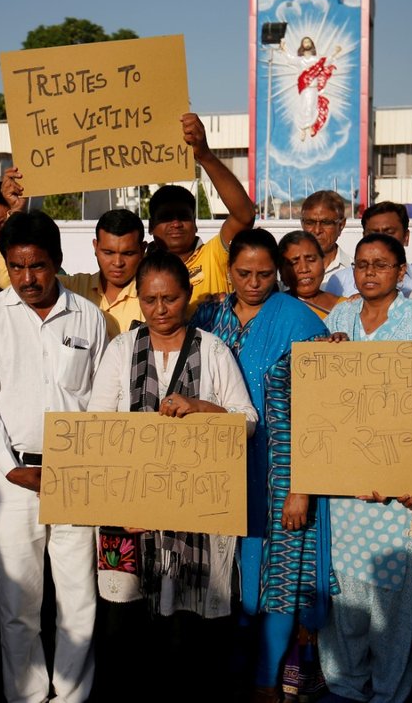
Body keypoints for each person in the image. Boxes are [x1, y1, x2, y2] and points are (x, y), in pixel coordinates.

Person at [88, 251, 257, 699]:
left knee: (192, 636)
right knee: (126, 631)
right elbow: (98, 425)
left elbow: (248, 420)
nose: (160, 309)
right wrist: (120, 504)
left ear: (187, 296)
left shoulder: (213, 349)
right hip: (130, 515)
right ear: (139, 300)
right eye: (150, 299)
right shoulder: (122, 349)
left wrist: (202, 408)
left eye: (170, 298)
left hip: (197, 517)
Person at [0, 210, 107, 703]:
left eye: (39, 266)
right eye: (18, 267)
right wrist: (12, 467)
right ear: (6, 264)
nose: (28, 279)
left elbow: (96, 401)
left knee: (78, 600)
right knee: (18, 604)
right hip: (11, 479)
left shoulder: (89, 316)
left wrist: (80, 468)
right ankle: (26, 697)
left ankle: (71, 697)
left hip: (74, 477)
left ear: (59, 262)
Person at [191, 229, 332, 700]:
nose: (253, 282)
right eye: (243, 273)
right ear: (227, 271)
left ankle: (268, 682)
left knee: (278, 579)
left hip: (280, 474)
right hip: (219, 472)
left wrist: (303, 486)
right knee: (226, 579)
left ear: (279, 272)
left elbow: (319, 411)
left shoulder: (299, 319)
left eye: (264, 273)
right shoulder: (208, 315)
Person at [318, 233, 412, 703]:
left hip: (397, 486)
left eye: (381, 264)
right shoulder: (341, 316)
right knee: (345, 597)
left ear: (400, 272)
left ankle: (390, 691)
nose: (370, 272)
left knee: (390, 599)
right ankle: (345, 686)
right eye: (362, 264)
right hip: (345, 484)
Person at [145, 113, 256, 310]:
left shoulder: (215, 255)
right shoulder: (140, 266)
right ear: (151, 226)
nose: (176, 223)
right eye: (166, 218)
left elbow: (244, 215)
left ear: (195, 224)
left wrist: (204, 154)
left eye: (184, 216)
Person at [59, 209, 146, 338]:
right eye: (108, 253)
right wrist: (17, 211)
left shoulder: (153, 297)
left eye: (128, 253)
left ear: (143, 250)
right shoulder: (73, 287)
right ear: (95, 247)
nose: (117, 262)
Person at [279, 36, 342, 140]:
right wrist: (284, 49)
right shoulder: (300, 60)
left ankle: (310, 127)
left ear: (311, 44)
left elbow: (326, 61)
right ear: (302, 45)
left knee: (312, 107)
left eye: (308, 41)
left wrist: (336, 52)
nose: (307, 43)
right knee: (304, 108)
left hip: (313, 87)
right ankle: (303, 129)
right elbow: (290, 58)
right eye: (305, 42)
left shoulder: (316, 60)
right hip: (304, 87)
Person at [300, 189, 358, 297]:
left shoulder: (355, 272)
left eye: (326, 223)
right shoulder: (285, 271)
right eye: (310, 222)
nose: (317, 230)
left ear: (341, 225)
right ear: (302, 224)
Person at [361, 201, 412, 297]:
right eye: (373, 234)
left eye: (389, 232)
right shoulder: (342, 282)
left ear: (406, 237)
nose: (381, 240)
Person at [278, 230, 344, 319]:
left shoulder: (346, 307)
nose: (304, 269)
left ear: (323, 263)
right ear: (282, 272)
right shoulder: (275, 308)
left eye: (311, 260)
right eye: (294, 263)